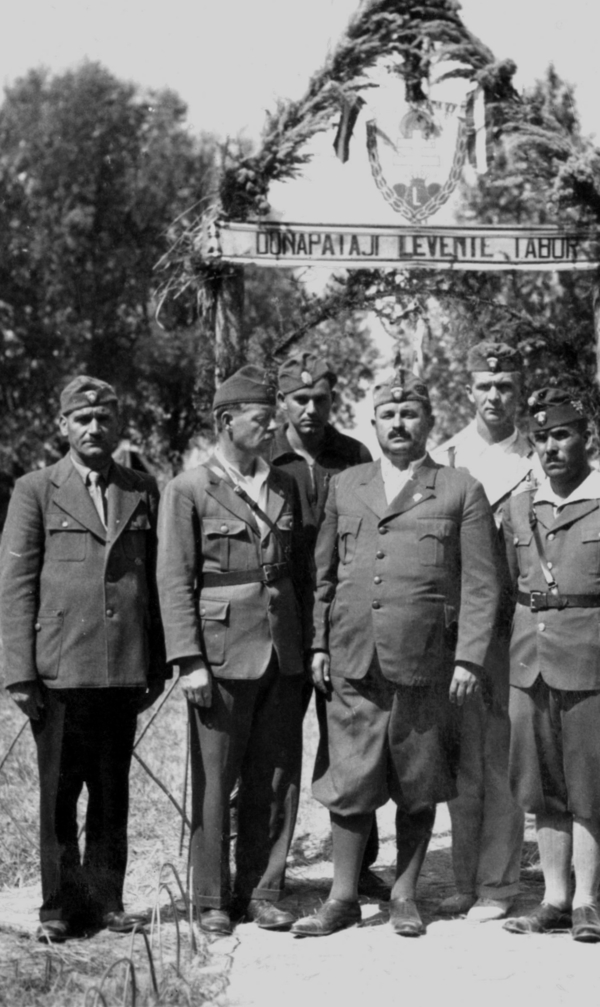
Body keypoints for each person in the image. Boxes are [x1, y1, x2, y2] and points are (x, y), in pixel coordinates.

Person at [292, 370, 501, 938]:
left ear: (429, 422)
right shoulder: (348, 484)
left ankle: (406, 895)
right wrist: (317, 642)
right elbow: (325, 575)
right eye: (388, 415)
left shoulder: (461, 488)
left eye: (410, 415)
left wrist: (469, 659)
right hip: (353, 659)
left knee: (418, 778)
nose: (399, 424)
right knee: (350, 780)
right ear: (374, 424)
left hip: (427, 663)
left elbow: (482, 585)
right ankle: (341, 897)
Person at [0, 375, 166, 942]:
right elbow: (17, 585)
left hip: (122, 669)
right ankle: (59, 908)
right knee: (60, 796)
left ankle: (105, 901)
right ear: (63, 426)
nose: (94, 429)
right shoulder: (36, 490)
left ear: (118, 426)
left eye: (104, 419)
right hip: (59, 671)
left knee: (111, 793)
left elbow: (157, 581)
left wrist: (157, 664)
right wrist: (21, 672)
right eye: (82, 419)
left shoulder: (143, 488)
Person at [496, 388, 600, 944]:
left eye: (561, 434)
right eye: (540, 438)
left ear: (585, 436)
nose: (550, 447)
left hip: (595, 660)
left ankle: (588, 900)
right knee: (542, 786)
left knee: (591, 784)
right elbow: (504, 587)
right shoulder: (520, 506)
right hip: (530, 662)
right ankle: (554, 898)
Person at [160, 366, 310, 937]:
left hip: (282, 650)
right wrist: (189, 661)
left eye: (273, 414)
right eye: (261, 416)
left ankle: (264, 889)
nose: (274, 424)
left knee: (276, 776)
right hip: (220, 652)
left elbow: (296, 570)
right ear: (226, 421)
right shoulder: (190, 489)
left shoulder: (284, 483)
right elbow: (174, 581)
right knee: (216, 777)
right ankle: (212, 898)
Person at [267, 352, 387, 898]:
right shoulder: (265, 458)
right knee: (275, 752)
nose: (311, 410)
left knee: (355, 742)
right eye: (300, 400)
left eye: (320, 400)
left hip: (343, 622)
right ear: (281, 404)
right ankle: (267, 872)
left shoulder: (354, 456)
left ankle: (359, 868)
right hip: (278, 622)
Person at [428, 339, 535, 920]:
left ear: (519, 392)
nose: (495, 396)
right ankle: (465, 878)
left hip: (513, 626)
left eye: (506, 386)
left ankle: (498, 883)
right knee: (460, 756)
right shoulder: (445, 457)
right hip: (454, 624)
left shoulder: (538, 461)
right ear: (469, 391)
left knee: (501, 753)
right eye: (485, 386)